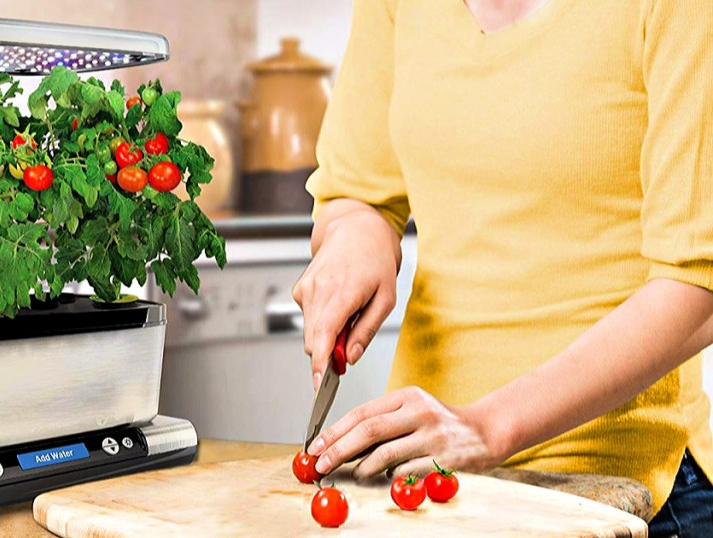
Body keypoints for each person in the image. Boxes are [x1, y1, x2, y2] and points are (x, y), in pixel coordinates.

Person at [292, 1, 713, 535]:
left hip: (620, 487)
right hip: (431, 486)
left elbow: (698, 283)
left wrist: (485, 426)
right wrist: (356, 235)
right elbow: (355, 190)